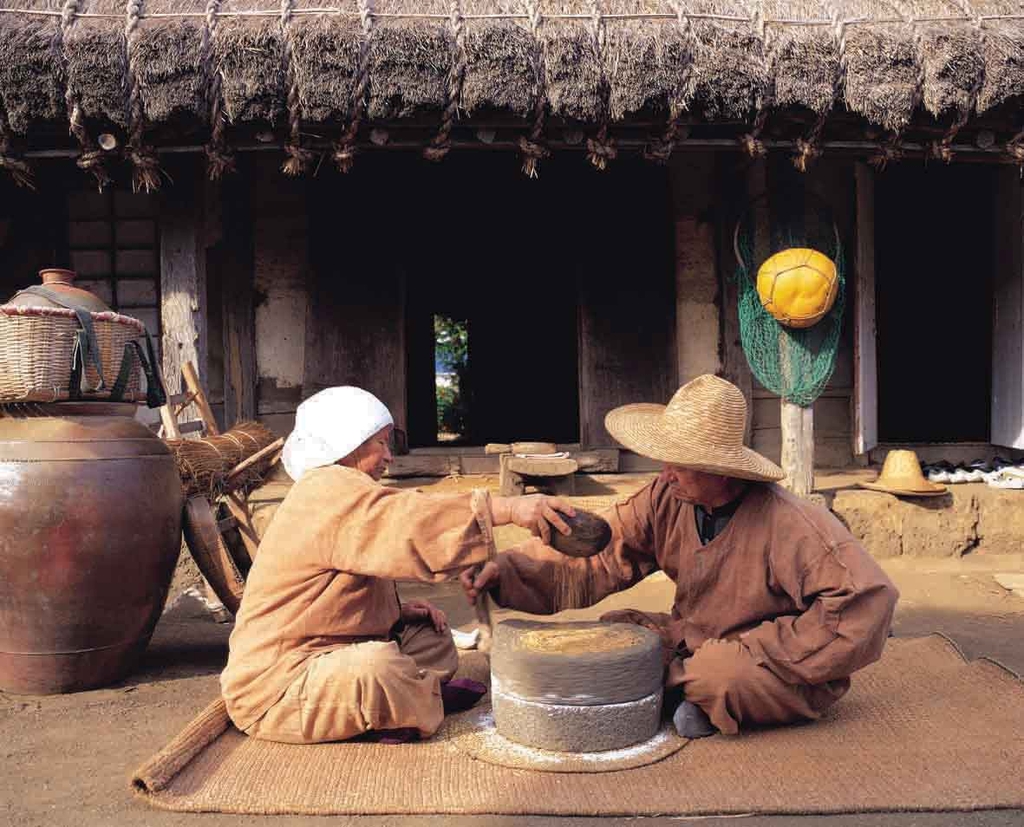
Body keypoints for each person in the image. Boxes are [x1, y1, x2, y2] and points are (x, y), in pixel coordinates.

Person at [462, 374, 899, 739]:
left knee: (719, 676)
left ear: (721, 469)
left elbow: (867, 603)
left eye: (680, 463)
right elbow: (603, 556)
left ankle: (688, 691)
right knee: (618, 633)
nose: (664, 473)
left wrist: (759, 648)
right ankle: (677, 689)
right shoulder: (665, 497)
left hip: (764, 663)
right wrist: (506, 572)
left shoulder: (792, 523)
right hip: (695, 637)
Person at [221, 386, 575, 744]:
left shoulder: (341, 489)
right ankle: (402, 708)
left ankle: (404, 700)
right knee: (379, 667)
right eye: (381, 444)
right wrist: (508, 509)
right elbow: (410, 524)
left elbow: (328, 601)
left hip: (329, 653)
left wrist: (399, 612)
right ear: (350, 443)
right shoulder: (324, 492)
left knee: (432, 639)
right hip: (278, 685)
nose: (389, 457)